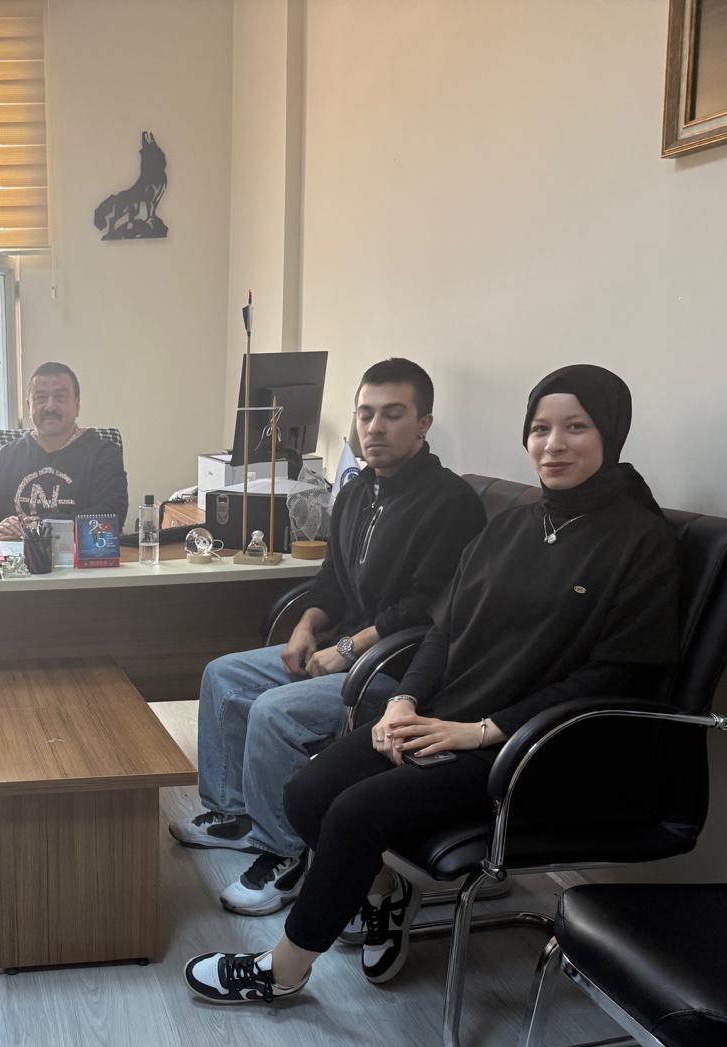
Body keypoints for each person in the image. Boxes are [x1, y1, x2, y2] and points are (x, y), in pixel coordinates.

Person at [185, 364, 680, 1003]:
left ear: (610, 433)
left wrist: (481, 731)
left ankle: (282, 972)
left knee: (355, 812)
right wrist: (403, 700)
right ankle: (383, 892)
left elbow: (614, 675)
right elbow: (443, 629)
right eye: (540, 429)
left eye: (575, 428)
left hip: (537, 747)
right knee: (309, 792)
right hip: (449, 715)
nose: (553, 445)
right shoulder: (513, 526)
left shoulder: (640, 541)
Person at [172, 358, 485, 918]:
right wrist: (306, 625)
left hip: (401, 669)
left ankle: (283, 852)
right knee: (224, 674)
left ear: (424, 424)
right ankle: (236, 813)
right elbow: (333, 579)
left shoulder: (450, 503)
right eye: (366, 414)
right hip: (348, 649)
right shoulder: (359, 490)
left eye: (393, 414)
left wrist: (349, 649)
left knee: (275, 711)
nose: (375, 427)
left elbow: (428, 608)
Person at [0, 361, 128, 536]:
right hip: (14, 553)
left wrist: (36, 526)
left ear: (77, 405)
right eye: (41, 398)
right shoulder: (6, 456)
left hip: (79, 553)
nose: (50, 406)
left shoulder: (103, 454)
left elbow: (112, 517)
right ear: (29, 406)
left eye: (60, 397)